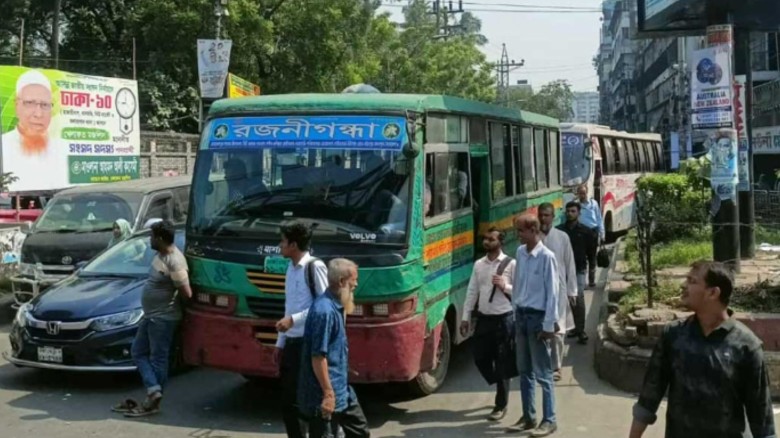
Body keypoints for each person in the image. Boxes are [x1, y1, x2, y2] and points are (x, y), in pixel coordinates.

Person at [629, 261, 776, 438]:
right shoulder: (674, 335)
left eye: (692, 281)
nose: (684, 285)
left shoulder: (746, 346)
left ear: (713, 293)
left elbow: (762, 416)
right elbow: (649, 395)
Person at [112, 220, 192, 417]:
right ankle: (153, 389)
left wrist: (175, 310)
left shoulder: (175, 261)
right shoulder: (160, 255)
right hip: (151, 316)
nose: (150, 240)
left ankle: (153, 400)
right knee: (138, 352)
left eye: (152, 237)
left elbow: (186, 292)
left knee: (158, 359)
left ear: (161, 239)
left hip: (163, 318)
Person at [298, 258, 370, 438]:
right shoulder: (324, 312)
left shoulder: (337, 306)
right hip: (323, 395)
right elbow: (317, 357)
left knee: (360, 432)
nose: (356, 284)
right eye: (354, 279)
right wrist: (328, 394)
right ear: (341, 282)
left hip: (342, 389)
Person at [507, 214, 559, 437]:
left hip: (538, 319)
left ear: (533, 231)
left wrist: (549, 325)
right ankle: (529, 417)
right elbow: (518, 286)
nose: (518, 235)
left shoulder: (547, 257)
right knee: (524, 370)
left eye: (521, 231)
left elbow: (553, 294)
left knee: (543, 373)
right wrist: (514, 312)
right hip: (522, 316)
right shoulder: (520, 253)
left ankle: (550, 419)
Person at [276, 220, 329, 438]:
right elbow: (289, 306)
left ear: (294, 245)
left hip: (309, 346)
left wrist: (294, 320)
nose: (279, 245)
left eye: (283, 241)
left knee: (311, 402)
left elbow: (324, 308)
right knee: (289, 403)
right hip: (291, 343)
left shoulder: (314, 267)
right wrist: (280, 342)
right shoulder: (290, 268)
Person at [460, 227, 516, 421]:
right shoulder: (479, 265)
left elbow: (519, 291)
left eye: (491, 239)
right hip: (484, 319)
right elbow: (472, 291)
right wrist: (465, 317)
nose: (487, 242)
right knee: (479, 356)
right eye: (485, 239)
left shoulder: (511, 264)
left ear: (500, 242)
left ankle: (501, 404)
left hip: (504, 319)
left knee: (502, 363)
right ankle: (498, 380)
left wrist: (505, 286)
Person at [1, 70, 66, 192]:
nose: (38, 114)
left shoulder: (63, 148)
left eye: (45, 105)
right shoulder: (3, 145)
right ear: (16, 106)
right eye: (30, 103)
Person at [537, 203, 577, 381]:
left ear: (553, 217)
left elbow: (570, 264)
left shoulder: (562, 237)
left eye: (547, 215)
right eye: (541, 215)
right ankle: (541, 365)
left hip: (559, 290)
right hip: (538, 292)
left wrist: (572, 290)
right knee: (540, 330)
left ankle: (556, 366)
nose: (543, 219)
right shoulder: (533, 238)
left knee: (558, 332)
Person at [558, 202, 593, 344]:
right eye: (568, 211)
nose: (570, 213)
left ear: (579, 213)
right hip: (562, 270)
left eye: (573, 211)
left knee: (578, 298)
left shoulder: (586, 231)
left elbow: (591, 253)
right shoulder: (559, 231)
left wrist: (592, 269)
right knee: (566, 300)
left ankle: (581, 330)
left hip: (579, 269)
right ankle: (573, 327)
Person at [575, 184, 603, 288]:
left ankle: (591, 280)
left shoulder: (593, 203)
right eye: (580, 193)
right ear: (578, 194)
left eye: (584, 193)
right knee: (582, 258)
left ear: (587, 192)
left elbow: (599, 218)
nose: (582, 195)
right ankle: (583, 282)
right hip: (581, 234)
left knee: (592, 257)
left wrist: (602, 233)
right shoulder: (576, 206)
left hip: (593, 232)